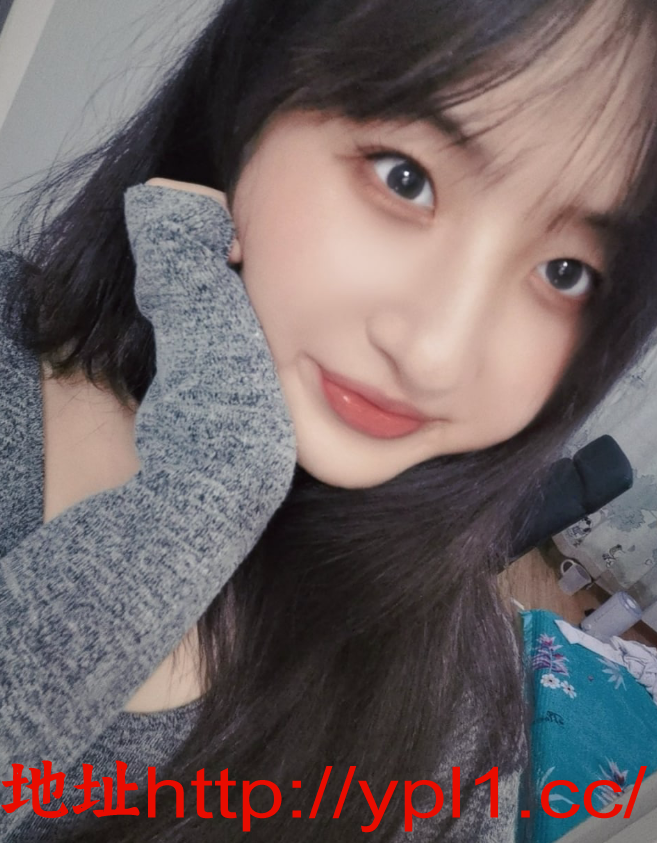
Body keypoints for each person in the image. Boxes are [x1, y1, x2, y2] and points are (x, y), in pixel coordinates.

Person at [2, 0, 657, 840]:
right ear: (246, 106)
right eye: (403, 177)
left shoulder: (449, 727)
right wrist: (202, 490)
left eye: (565, 271)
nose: (435, 353)